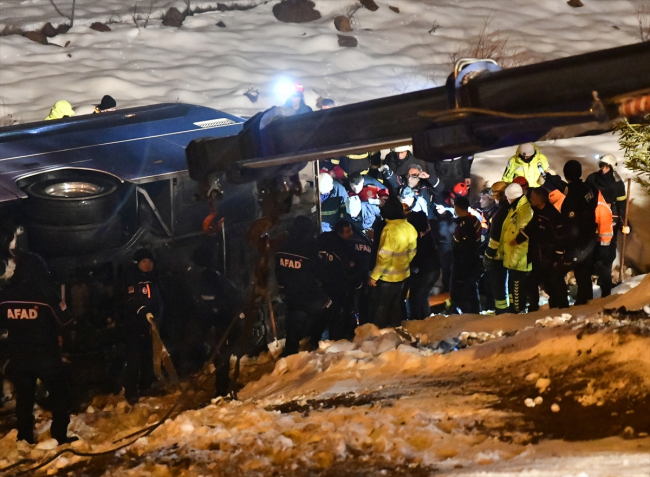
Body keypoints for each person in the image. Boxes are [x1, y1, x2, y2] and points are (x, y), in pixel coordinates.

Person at [0, 239, 76, 444]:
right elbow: (67, 321)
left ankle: (25, 438)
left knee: (24, 400)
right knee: (60, 397)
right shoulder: (46, 294)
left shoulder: (6, 295)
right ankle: (59, 436)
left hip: (19, 358)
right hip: (47, 358)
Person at [190, 245, 243, 397]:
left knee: (222, 354)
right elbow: (211, 302)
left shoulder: (210, 273)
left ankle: (224, 383)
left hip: (217, 321)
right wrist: (229, 307)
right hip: (217, 321)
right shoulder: (208, 276)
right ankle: (221, 389)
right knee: (221, 355)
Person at [275, 216, 331, 355]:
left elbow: (278, 271)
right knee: (328, 306)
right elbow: (320, 271)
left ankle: (290, 350)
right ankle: (315, 341)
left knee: (293, 323)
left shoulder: (283, 247)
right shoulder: (310, 249)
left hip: (289, 292)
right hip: (308, 293)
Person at [513, 187, 568, 310]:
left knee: (537, 282)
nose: (531, 199)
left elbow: (560, 237)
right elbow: (531, 228)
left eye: (533, 197)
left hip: (548, 256)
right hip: (539, 256)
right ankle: (553, 304)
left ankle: (550, 306)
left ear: (540, 198)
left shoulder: (552, 215)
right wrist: (517, 239)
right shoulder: (538, 213)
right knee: (545, 282)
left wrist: (557, 256)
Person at [368, 196, 417, 328]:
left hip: (388, 278)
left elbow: (384, 258)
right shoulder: (409, 227)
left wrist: (374, 277)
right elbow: (412, 252)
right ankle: (396, 331)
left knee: (381, 308)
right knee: (396, 306)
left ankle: (377, 336)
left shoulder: (389, 230)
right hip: (404, 275)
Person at [122, 248, 163, 405]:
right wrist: (143, 311)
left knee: (148, 357)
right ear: (138, 263)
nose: (148, 264)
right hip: (135, 326)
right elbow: (131, 300)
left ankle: (146, 386)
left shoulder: (154, 279)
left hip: (151, 326)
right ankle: (131, 392)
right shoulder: (132, 279)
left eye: (150, 261)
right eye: (144, 261)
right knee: (134, 360)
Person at [561, 160, 598, 305]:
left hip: (580, 239)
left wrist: (570, 245)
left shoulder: (573, 195)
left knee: (580, 271)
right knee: (585, 270)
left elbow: (571, 223)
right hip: (590, 235)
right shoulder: (589, 189)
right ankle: (586, 297)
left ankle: (582, 301)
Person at [317, 220, 362, 340]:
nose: (351, 233)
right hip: (340, 286)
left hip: (325, 286)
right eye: (348, 231)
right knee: (341, 314)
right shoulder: (343, 246)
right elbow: (347, 269)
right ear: (340, 233)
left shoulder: (322, 241)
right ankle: (340, 338)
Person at [402, 196, 440, 320]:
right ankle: (426, 323)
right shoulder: (422, 217)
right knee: (423, 298)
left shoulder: (410, 227)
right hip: (434, 265)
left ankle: (417, 324)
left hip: (423, 268)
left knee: (415, 299)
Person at [501, 183, 534, 313]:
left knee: (517, 289)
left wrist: (513, 260)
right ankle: (517, 310)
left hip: (520, 260)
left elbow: (524, 237)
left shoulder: (523, 211)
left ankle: (518, 313)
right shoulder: (517, 208)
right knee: (516, 288)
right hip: (516, 258)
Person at [450, 196, 482, 314]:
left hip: (464, 264)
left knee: (463, 291)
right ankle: (472, 312)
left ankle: (466, 315)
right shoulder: (474, 220)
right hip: (472, 261)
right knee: (471, 289)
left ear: (457, 207)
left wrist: (459, 267)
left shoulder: (465, 226)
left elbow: (466, 248)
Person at [483, 181, 510, 314]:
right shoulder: (511, 209)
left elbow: (494, 239)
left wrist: (488, 256)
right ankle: (510, 311)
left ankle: (502, 313)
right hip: (510, 255)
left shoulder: (500, 214)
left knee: (498, 288)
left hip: (498, 257)